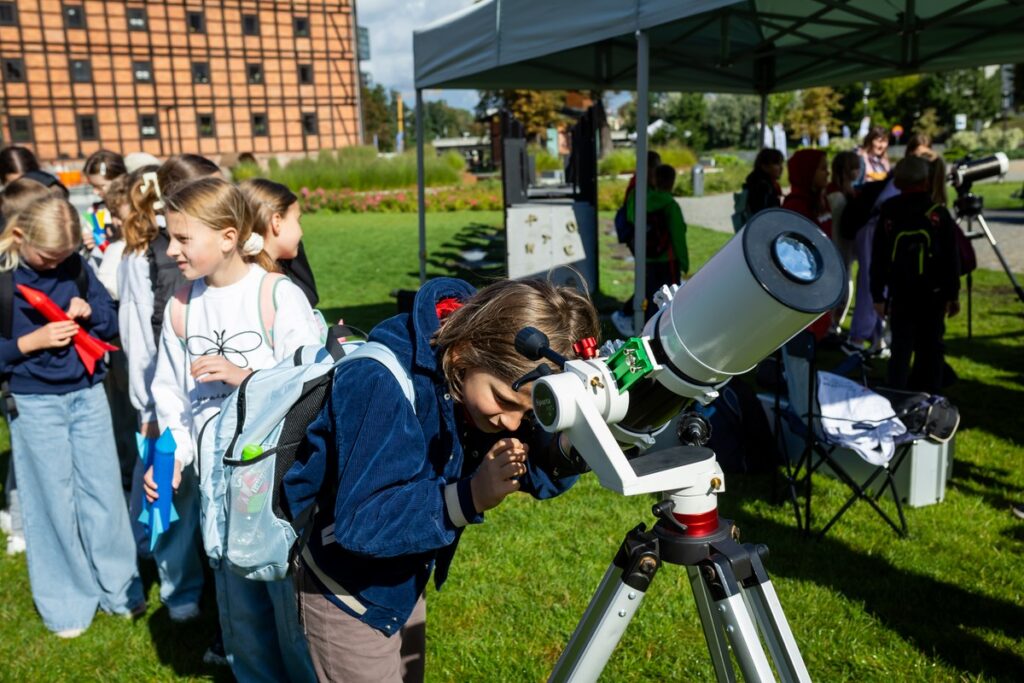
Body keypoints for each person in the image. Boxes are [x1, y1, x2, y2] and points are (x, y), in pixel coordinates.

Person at [283, 276, 600, 682]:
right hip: (346, 591)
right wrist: (467, 497)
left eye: (528, 413)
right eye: (504, 402)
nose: (511, 423)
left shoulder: (475, 370)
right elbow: (362, 522)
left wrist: (571, 447)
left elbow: (539, 475)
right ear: (466, 352)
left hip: (400, 576)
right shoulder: (378, 381)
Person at [149, 177, 322, 682]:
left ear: (228, 236)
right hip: (216, 488)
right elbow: (170, 395)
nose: (171, 249)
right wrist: (174, 460)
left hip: (274, 487)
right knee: (239, 609)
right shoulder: (181, 306)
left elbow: (312, 379)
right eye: (168, 237)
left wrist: (243, 376)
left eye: (182, 238)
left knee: (289, 608)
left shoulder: (276, 294)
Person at [0, 196, 144, 637]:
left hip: (87, 393)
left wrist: (89, 311)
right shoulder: (5, 281)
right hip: (32, 402)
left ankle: (121, 588)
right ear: (20, 236)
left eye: (64, 257)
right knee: (51, 502)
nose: (55, 265)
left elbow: (110, 321)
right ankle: (67, 603)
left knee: (104, 491)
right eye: (47, 257)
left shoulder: (74, 268)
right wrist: (30, 342)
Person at [117, 156, 220, 626]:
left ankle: (218, 588)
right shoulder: (145, 256)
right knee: (172, 502)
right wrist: (147, 407)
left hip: (210, 405)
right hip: (165, 403)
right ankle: (181, 590)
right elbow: (139, 339)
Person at [871, 155, 960, 393]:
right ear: (927, 181)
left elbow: (878, 257)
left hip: (900, 293)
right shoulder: (937, 214)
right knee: (931, 347)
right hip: (933, 294)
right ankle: (929, 395)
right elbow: (951, 259)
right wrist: (952, 294)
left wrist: (877, 294)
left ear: (898, 183)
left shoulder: (889, 212)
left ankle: (896, 394)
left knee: (900, 348)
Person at [238, 178, 320, 307]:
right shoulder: (280, 290)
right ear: (277, 222)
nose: (301, 232)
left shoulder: (235, 276)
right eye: (298, 221)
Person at [628, 164, 688, 322]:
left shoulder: (641, 199)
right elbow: (678, 236)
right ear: (672, 182)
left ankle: (647, 328)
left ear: (654, 179)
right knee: (670, 300)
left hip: (646, 258)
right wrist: (684, 261)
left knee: (650, 297)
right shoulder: (670, 205)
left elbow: (630, 217)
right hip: (667, 260)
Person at [783, 149, 832, 340]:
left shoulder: (819, 200)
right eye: (822, 169)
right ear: (807, 172)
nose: (827, 173)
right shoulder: (796, 206)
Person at [826, 151, 862, 332]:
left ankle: (835, 323)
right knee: (841, 284)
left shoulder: (848, 193)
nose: (858, 171)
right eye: (853, 167)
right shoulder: (836, 195)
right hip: (838, 244)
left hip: (844, 245)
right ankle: (832, 323)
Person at [743, 148, 785, 217]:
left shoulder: (755, 182)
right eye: (777, 163)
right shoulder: (762, 187)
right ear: (765, 166)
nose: (781, 167)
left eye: (781, 163)